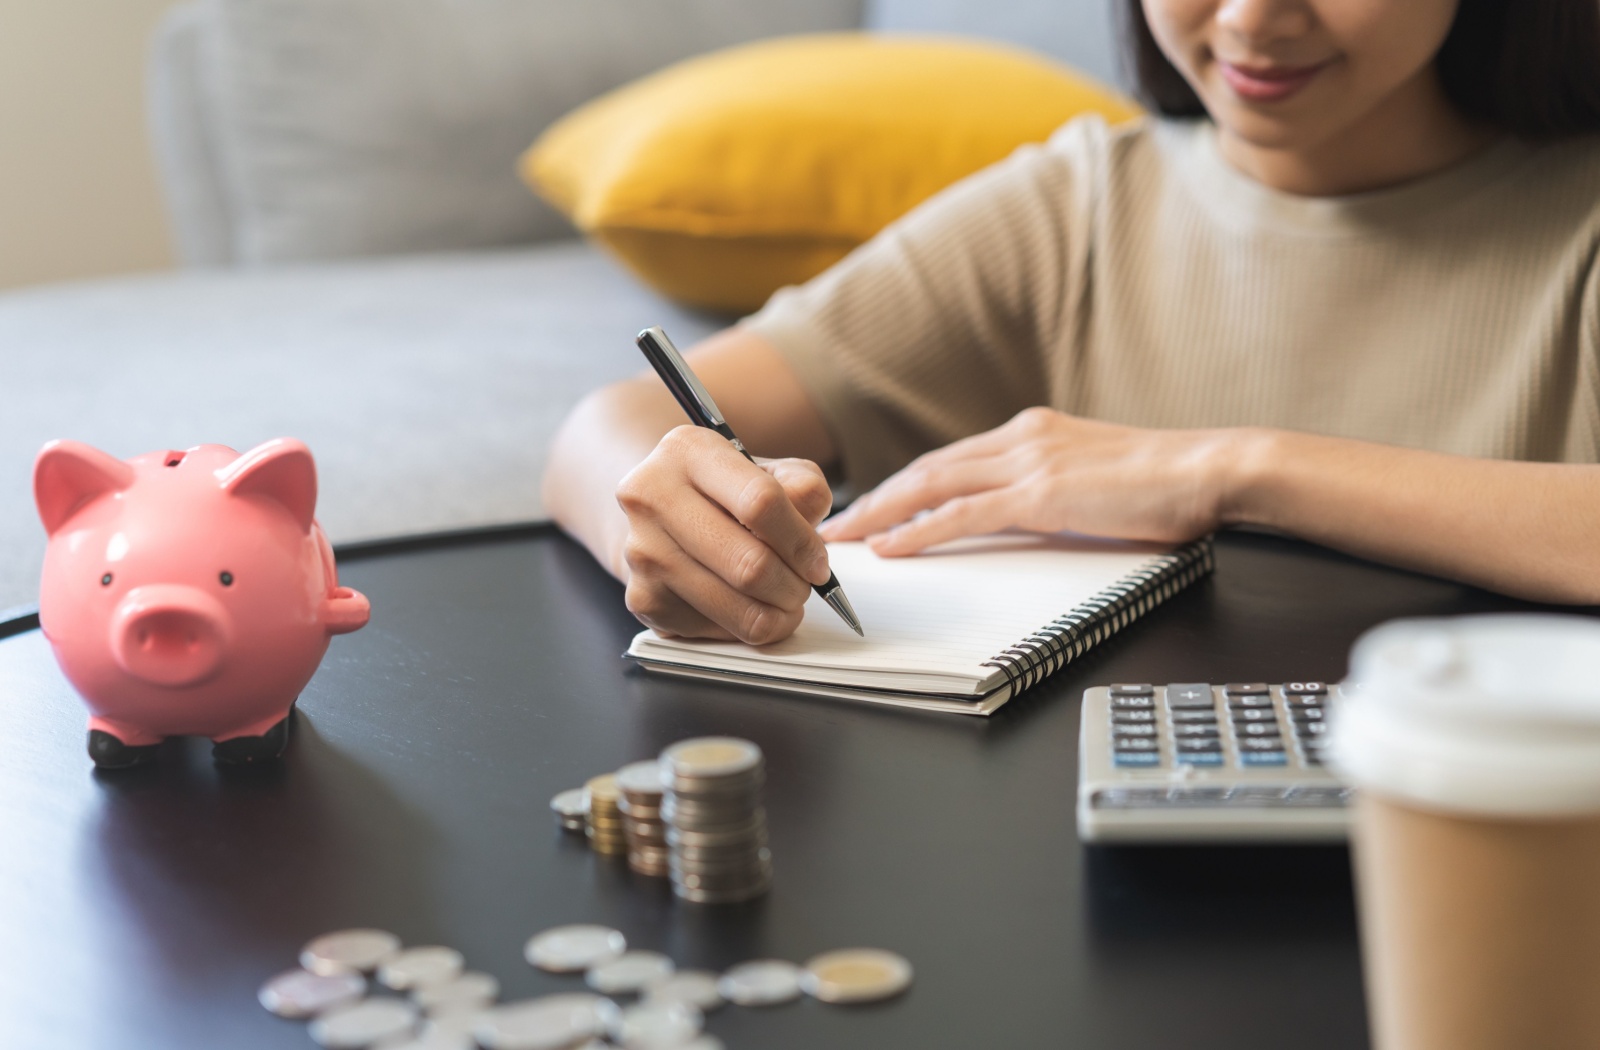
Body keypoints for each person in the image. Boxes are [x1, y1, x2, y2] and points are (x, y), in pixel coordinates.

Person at [543, 0, 1600, 646]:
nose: (1248, 18)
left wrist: (1236, 469)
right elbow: (611, 422)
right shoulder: (1074, 210)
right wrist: (678, 520)